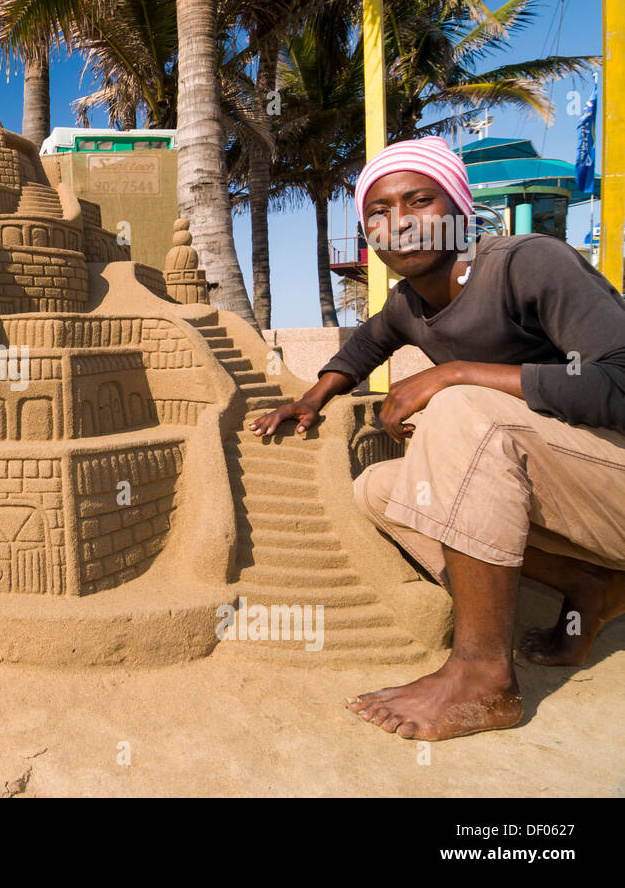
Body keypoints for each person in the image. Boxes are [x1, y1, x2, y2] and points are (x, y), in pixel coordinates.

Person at [248, 136, 625, 741]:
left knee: (462, 409)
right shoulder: (410, 304)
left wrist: (453, 373)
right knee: (381, 488)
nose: (398, 224)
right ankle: (590, 585)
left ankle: (483, 678)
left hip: (614, 480)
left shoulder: (529, 262)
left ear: (457, 209)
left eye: (419, 201)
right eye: (377, 211)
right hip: (579, 498)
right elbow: (365, 345)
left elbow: (621, 380)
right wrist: (311, 400)